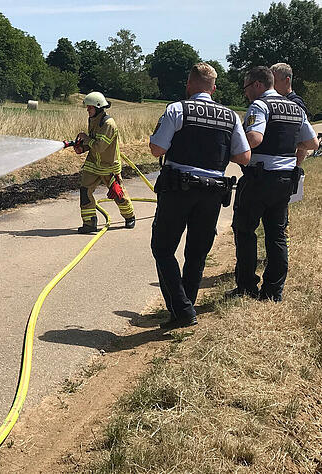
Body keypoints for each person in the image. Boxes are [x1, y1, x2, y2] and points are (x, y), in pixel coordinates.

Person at [148, 62, 251, 329]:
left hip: (177, 189)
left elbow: (157, 149)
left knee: (162, 248)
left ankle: (181, 310)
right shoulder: (230, 116)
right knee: (197, 252)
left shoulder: (177, 109)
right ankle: (186, 307)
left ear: (189, 85)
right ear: (213, 89)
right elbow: (244, 156)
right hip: (212, 192)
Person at [228, 66, 319, 302]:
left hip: (259, 178)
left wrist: (232, 148)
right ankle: (273, 291)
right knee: (277, 234)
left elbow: (255, 138)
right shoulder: (296, 108)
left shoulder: (260, 106)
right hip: (285, 181)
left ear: (258, 85)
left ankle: (247, 286)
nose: (246, 93)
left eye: (246, 87)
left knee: (246, 231)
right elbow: (312, 143)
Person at [72, 92, 135, 234]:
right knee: (84, 192)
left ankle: (129, 216)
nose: (88, 111)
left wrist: (86, 138)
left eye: (90, 108)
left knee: (118, 194)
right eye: (87, 108)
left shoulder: (108, 124)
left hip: (109, 166)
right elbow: (93, 143)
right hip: (93, 165)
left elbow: (100, 146)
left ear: (99, 107)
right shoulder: (92, 120)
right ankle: (89, 223)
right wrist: (82, 148)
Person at [271, 63, 313, 165]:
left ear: (287, 80)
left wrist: (296, 166)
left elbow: (305, 139)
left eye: (274, 81)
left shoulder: (296, 103)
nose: (271, 85)